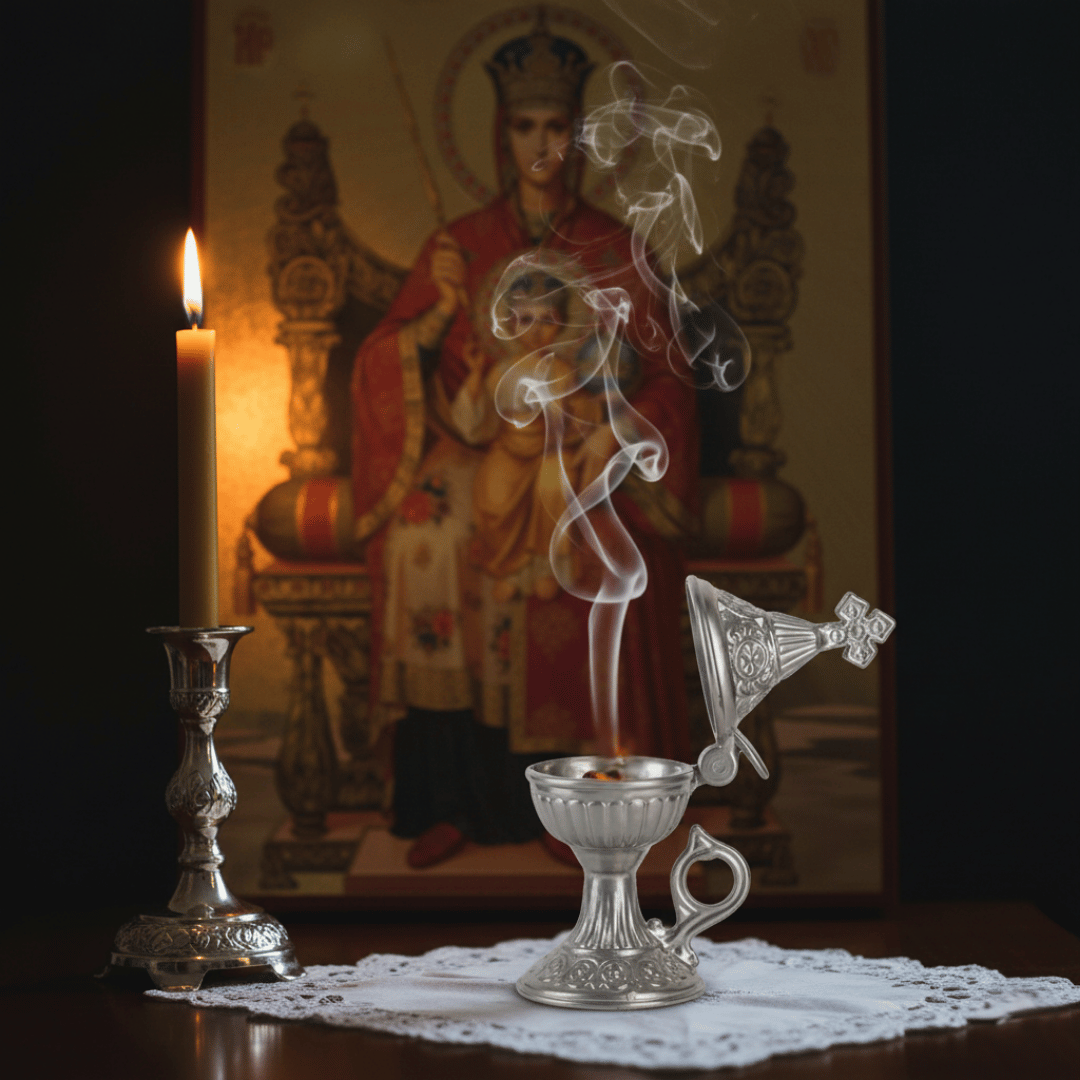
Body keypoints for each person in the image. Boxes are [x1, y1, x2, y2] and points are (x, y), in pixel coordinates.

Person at [351, 12, 699, 868]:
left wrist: (610, 427)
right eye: (524, 125)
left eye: (558, 127)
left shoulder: (619, 247)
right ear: (499, 136)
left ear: (580, 140)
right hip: (478, 452)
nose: (541, 143)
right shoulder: (456, 245)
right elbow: (382, 369)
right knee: (429, 538)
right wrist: (435, 315)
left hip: (580, 447)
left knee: (573, 535)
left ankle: (578, 805)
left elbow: (670, 380)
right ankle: (449, 798)